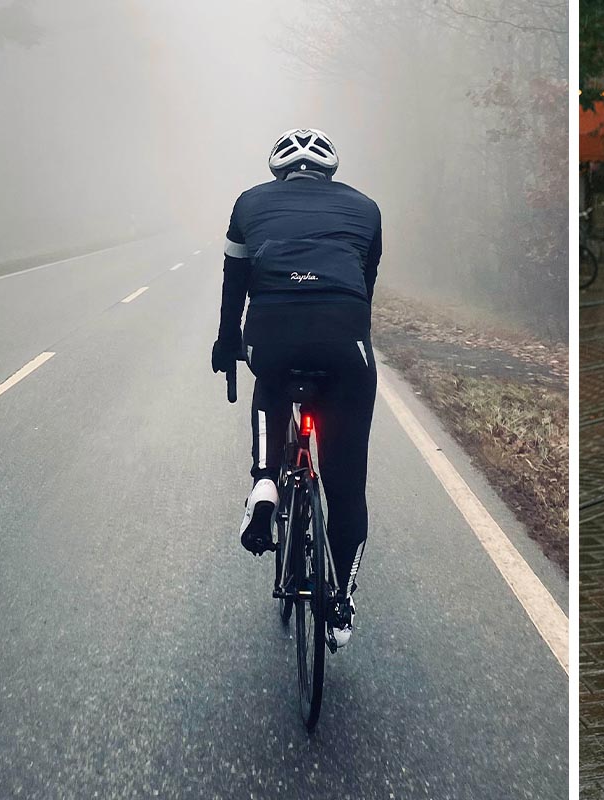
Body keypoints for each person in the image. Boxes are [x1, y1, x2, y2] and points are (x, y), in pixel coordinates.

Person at [211, 128, 382, 649]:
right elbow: (363, 284)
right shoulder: (367, 209)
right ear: (330, 170)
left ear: (277, 170)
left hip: (273, 331)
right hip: (344, 337)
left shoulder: (248, 203)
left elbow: (234, 284)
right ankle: (341, 602)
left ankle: (264, 482)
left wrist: (227, 345)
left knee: (272, 381)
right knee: (346, 486)